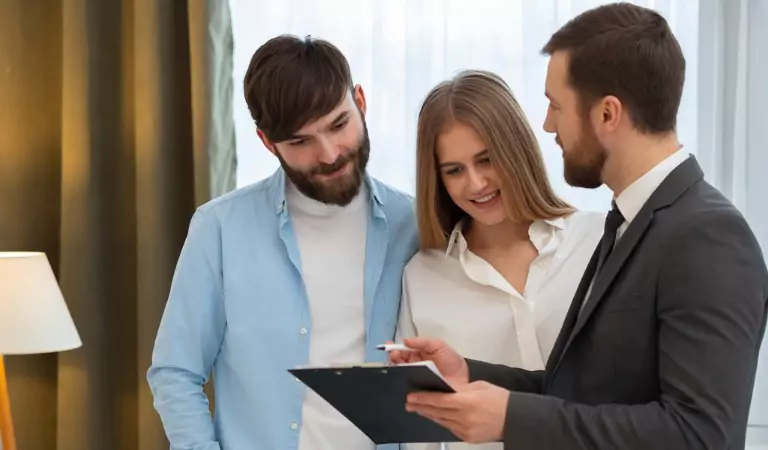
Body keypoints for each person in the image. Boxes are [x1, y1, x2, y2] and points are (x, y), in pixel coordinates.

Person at [390, 3, 768, 449]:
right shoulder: (628, 225)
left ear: (607, 114)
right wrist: (469, 374)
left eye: (555, 105)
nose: (547, 124)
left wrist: (513, 419)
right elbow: (581, 392)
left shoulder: (708, 236)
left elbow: (701, 436)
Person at [147, 35, 418, 450]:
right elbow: (175, 372)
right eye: (300, 141)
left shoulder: (415, 225)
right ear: (267, 142)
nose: (329, 154)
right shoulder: (219, 229)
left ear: (360, 101)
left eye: (338, 124)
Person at [396, 70, 604, 449]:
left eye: (486, 159)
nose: (476, 184)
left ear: (516, 149)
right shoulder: (423, 277)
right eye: (454, 170)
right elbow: (420, 429)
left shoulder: (598, 243)